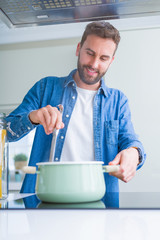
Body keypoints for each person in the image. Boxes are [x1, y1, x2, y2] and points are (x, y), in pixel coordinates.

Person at [6, 21, 146, 195]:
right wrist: (34, 116)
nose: (94, 64)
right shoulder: (45, 88)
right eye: (90, 53)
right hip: (43, 199)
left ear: (111, 61)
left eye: (103, 58)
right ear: (79, 49)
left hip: (99, 203)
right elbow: (6, 132)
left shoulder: (118, 101)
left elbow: (131, 141)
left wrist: (134, 153)